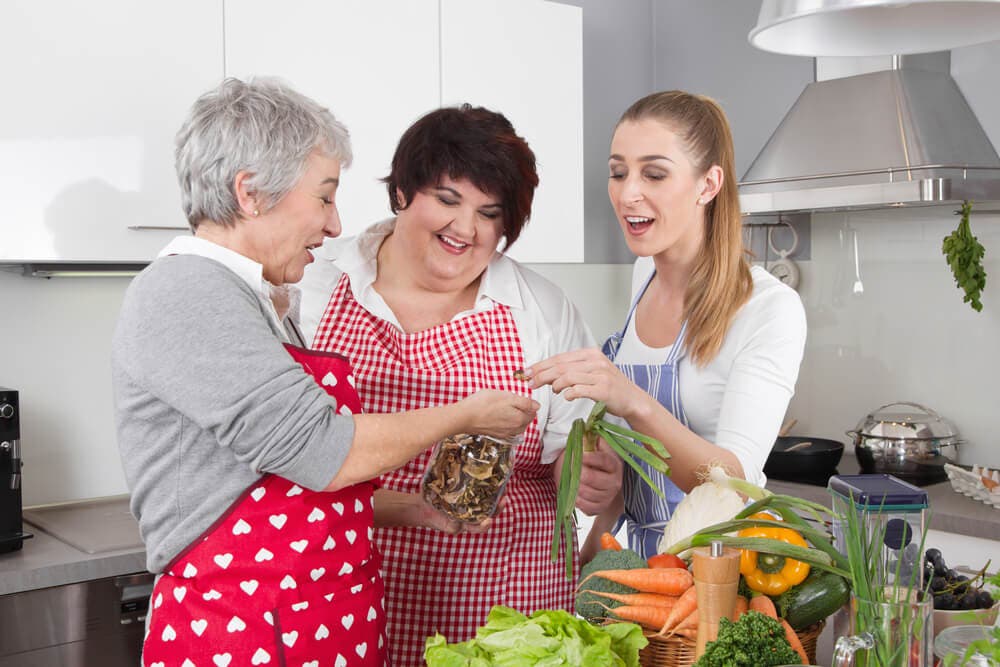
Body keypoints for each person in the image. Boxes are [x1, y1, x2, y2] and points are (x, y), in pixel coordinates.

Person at [111, 78, 537, 667]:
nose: (336, 225)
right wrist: (467, 414)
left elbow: (282, 480)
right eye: (325, 196)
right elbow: (321, 449)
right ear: (251, 192)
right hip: (244, 629)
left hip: (305, 624)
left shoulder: (253, 296)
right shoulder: (188, 291)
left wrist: (413, 509)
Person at [296, 104, 622, 666]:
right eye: (447, 200)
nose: (465, 229)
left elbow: (574, 448)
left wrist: (592, 472)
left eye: (488, 214)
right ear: (402, 191)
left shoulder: (539, 308)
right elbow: (290, 453)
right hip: (346, 599)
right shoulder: (315, 286)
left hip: (507, 615)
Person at [526, 90, 807, 561]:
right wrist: (588, 560)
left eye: (653, 173)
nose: (627, 192)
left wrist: (631, 400)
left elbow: (734, 487)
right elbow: (632, 485)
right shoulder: (644, 276)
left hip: (719, 574)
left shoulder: (767, 308)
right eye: (618, 172)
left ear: (708, 185)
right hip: (641, 567)